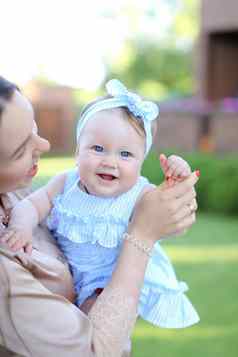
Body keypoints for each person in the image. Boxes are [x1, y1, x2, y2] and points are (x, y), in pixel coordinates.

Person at [0, 76, 199, 357]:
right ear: (77, 151)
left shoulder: (139, 194)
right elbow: (31, 207)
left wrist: (177, 178)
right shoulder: (65, 184)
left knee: (95, 324)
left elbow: (169, 221)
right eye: (97, 148)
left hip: (107, 282)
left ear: (142, 161)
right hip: (71, 282)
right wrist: (20, 226)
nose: (110, 161)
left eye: (126, 154)